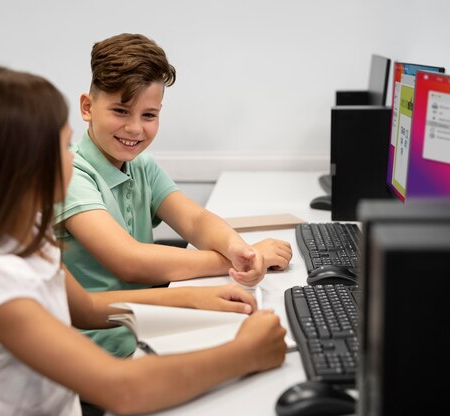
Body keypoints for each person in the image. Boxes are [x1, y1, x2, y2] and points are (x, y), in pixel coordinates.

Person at [0, 65, 287, 416]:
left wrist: (193, 298)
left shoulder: (27, 238)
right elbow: (122, 390)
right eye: (63, 146)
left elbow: (86, 307)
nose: (71, 159)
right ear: (22, 164)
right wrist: (245, 353)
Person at [55, 33, 293, 357]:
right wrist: (235, 261)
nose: (135, 128)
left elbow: (194, 220)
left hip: (144, 328)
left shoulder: (141, 165)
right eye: (121, 111)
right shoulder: (72, 174)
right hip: (99, 348)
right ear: (87, 107)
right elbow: (129, 261)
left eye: (149, 115)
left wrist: (239, 249)